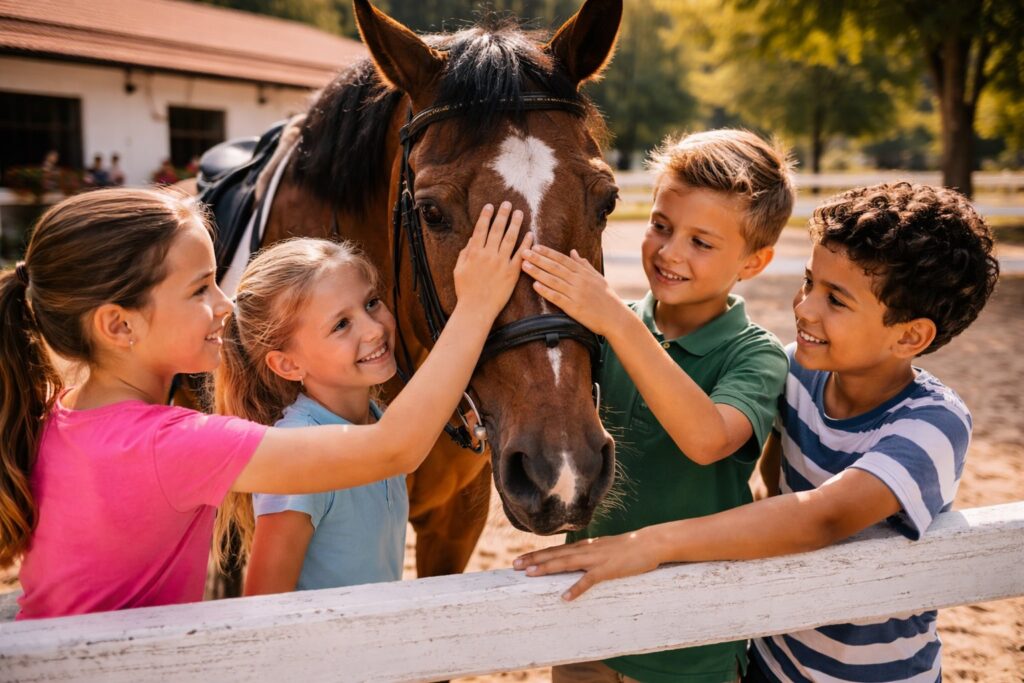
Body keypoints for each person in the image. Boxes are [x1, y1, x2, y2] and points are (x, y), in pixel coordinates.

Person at [515, 183, 1000, 683]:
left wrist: (649, 544)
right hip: (769, 660)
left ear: (910, 336)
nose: (806, 308)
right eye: (811, 281)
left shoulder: (933, 424)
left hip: (874, 674)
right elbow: (767, 488)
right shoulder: (798, 374)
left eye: (836, 299)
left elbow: (821, 518)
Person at [0, 188, 530, 619]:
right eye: (201, 289)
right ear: (120, 325)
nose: (225, 305)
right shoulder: (173, 444)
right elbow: (394, 449)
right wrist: (477, 305)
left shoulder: (56, 414)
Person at [520, 129, 796, 683]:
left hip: (690, 644)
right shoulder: (601, 327)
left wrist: (617, 324)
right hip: (586, 625)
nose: (669, 252)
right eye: (661, 226)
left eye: (702, 242)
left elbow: (706, 439)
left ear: (754, 261)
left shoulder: (755, 355)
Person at [212, 238, 407, 593]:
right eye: (341, 325)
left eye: (371, 303)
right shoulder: (296, 455)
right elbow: (264, 600)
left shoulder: (377, 420)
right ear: (288, 364)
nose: (374, 329)